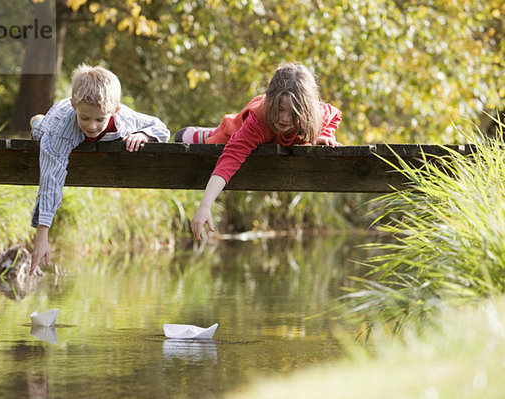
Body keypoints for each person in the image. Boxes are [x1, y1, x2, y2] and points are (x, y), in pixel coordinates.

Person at [175, 62, 342, 242]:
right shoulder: (257, 121)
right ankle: (207, 133)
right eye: (279, 110)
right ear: (270, 103)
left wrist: (323, 134)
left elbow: (335, 114)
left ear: (306, 110)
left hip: (266, 134)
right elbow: (229, 161)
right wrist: (205, 205)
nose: (285, 118)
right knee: (214, 138)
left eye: (292, 113)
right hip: (237, 130)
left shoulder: (314, 116)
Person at [29, 63, 170, 273]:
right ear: (74, 105)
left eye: (100, 119)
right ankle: (37, 121)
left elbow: (160, 127)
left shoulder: (125, 117)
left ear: (114, 110)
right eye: (85, 118)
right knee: (40, 134)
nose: (92, 126)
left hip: (97, 121)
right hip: (54, 121)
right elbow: (51, 178)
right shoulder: (60, 130)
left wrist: (143, 135)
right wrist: (42, 235)